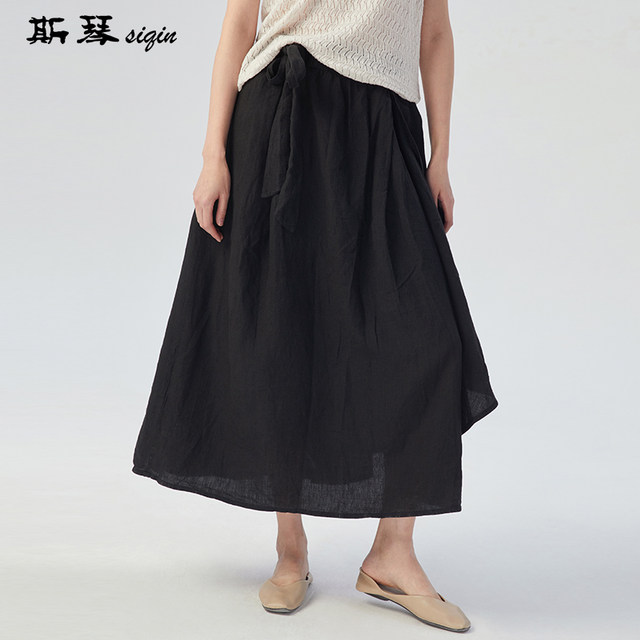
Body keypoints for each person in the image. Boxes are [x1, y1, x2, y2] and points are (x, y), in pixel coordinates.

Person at [132, 0, 498, 631]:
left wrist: (439, 156)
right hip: (282, 115)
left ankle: (392, 554)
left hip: (383, 128)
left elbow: (434, 31)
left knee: (428, 341)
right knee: (284, 334)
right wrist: (213, 155)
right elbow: (240, 26)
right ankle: (290, 548)